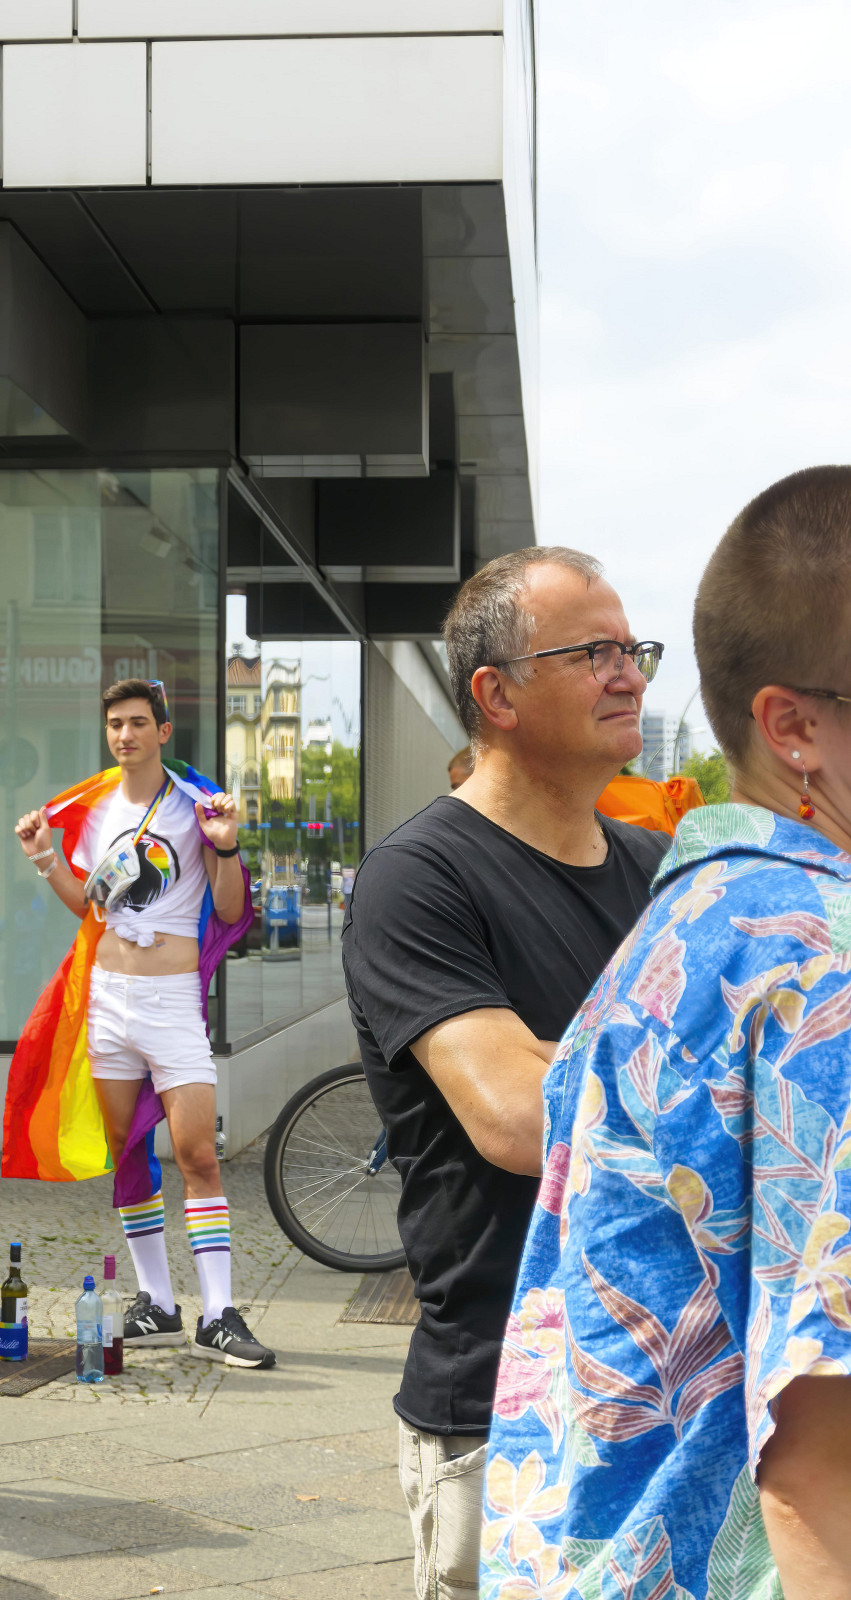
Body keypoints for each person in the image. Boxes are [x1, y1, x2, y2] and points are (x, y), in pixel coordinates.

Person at [482, 467, 851, 1600]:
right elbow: (819, 1462)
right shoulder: (818, 965)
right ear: (793, 726)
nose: (619, 676)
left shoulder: (689, 916)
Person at [342, 548, 668, 1600]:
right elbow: (522, 1119)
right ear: (496, 694)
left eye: (634, 650)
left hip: (673, 1396)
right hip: (509, 1412)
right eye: (594, 653)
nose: (628, 675)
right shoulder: (417, 879)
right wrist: (707, 1070)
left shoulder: (657, 872)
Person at [3, 678, 273, 1368]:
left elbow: (230, 907)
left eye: (137, 723)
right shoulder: (95, 812)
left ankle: (219, 1313)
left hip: (171, 1001)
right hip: (108, 999)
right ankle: (157, 1303)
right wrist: (43, 857)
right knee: (128, 1150)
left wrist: (226, 846)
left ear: (162, 731)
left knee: (197, 1155)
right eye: (115, 724)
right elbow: (89, 906)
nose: (124, 735)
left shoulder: (195, 806)